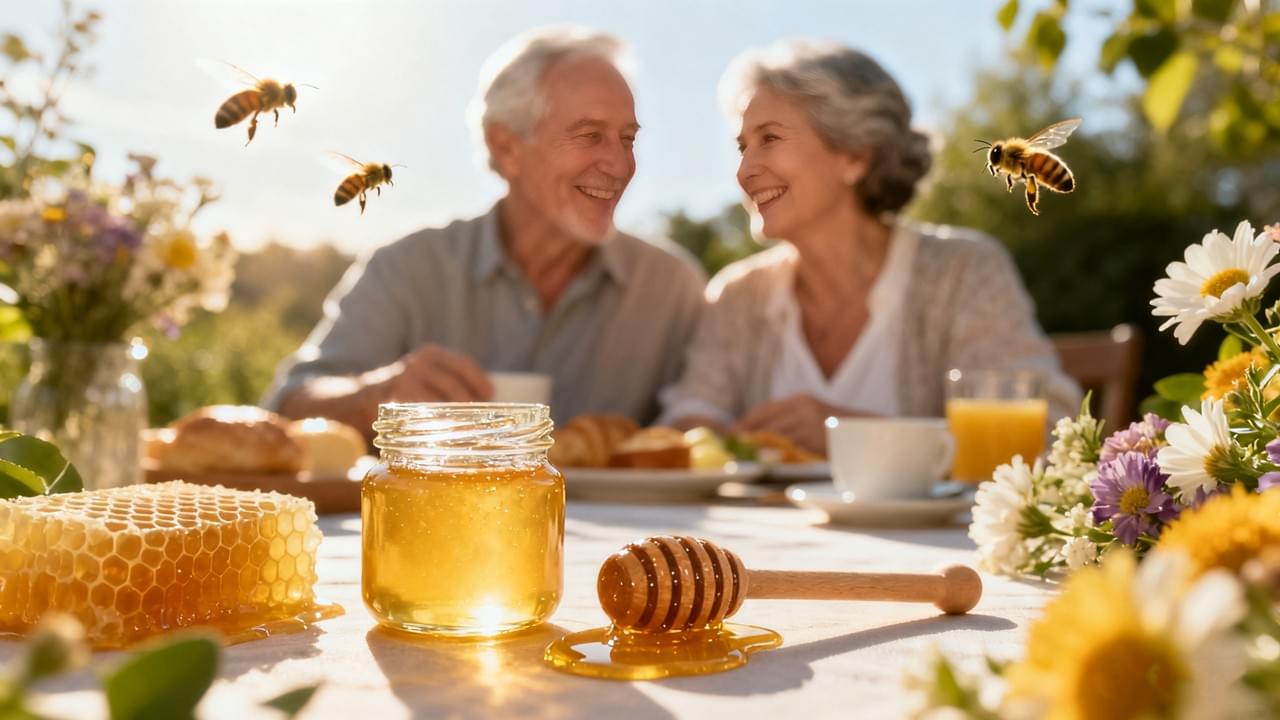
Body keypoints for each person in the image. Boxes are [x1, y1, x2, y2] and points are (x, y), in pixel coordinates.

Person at [265, 27, 706, 435]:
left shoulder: (672, 289)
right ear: (507, 147)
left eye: (627, 139)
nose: (621, 165)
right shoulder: (407, 268)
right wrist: (377, 395)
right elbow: (285, 406)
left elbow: (711, 427)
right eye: (590, 136)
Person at [659, 40, 1080, 453]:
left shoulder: (963, 271)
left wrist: (849, 436)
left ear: (855, 156)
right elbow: (691, 413)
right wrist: (708, 433)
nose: (744, 171)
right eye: (742, 146)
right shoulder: (739, 295)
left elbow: (1050, 431)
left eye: (769, 138)